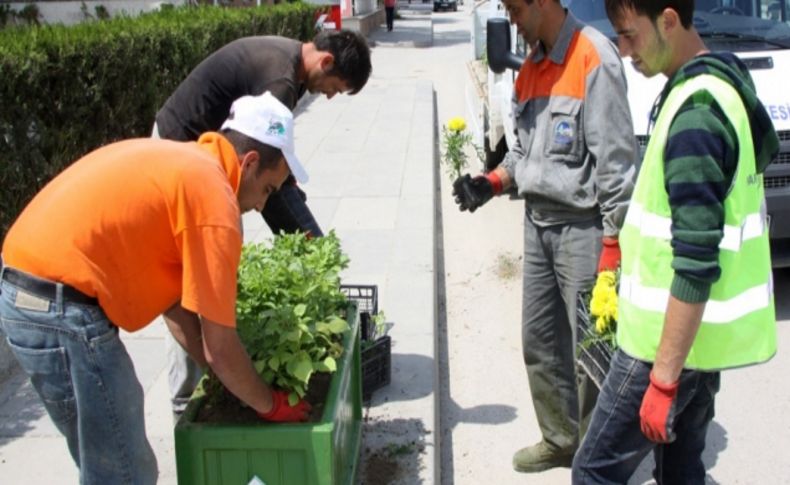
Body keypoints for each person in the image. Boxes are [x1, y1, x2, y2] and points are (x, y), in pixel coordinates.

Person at [0, 92, 312, 484]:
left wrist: (225, 383)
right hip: (58, 308)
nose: (264, 206)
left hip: (30, 294)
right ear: (249, 163)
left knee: (106, 456)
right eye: (268, 189)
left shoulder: (185, 163)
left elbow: (176, 307)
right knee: (124, 471)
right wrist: (269, 405)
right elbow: (221, 346)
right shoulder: (213, 200)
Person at [572, 1, 779, 483]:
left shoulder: (696, 114)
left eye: (629, 35)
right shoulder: (718, 86)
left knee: (594, 470)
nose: (623, 51)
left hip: (663, 343)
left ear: (667, 20)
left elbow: (695, 260)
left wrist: (662, 380)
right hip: (699, 343)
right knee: (682, 466)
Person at [452, 0, 638, 473]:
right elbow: (522, 154)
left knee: (593, 351)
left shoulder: (593, 56)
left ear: (543, 3)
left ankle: (600, 457)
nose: (511, 18)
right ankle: (560, 439)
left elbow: (617, 165)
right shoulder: (531, 67)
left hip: (584, 227)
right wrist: (489, 183)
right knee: (540, 341)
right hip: (537, 225)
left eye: (515, 8)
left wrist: (613, 249)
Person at [153, 30, 372, 416]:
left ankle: (221, 373)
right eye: (337, 88)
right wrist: (307, 242)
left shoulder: (289, 65)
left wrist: (295, 214)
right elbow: (264, 180)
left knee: (203, 284)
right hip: (178, 156)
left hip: (204, 155)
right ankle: (191, 401)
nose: (332, 96)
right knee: (189, 284)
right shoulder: (280, 82)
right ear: (326, 62)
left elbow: (272, 176)